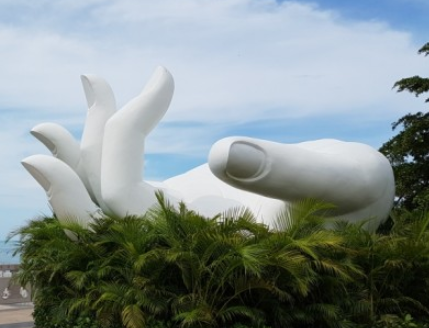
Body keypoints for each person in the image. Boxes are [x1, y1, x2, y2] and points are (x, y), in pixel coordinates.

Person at [22, 66, 395, 233]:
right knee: (114, 192)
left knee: (116, 190)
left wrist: (366, 182)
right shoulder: (194, 197)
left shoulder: (341, 182)